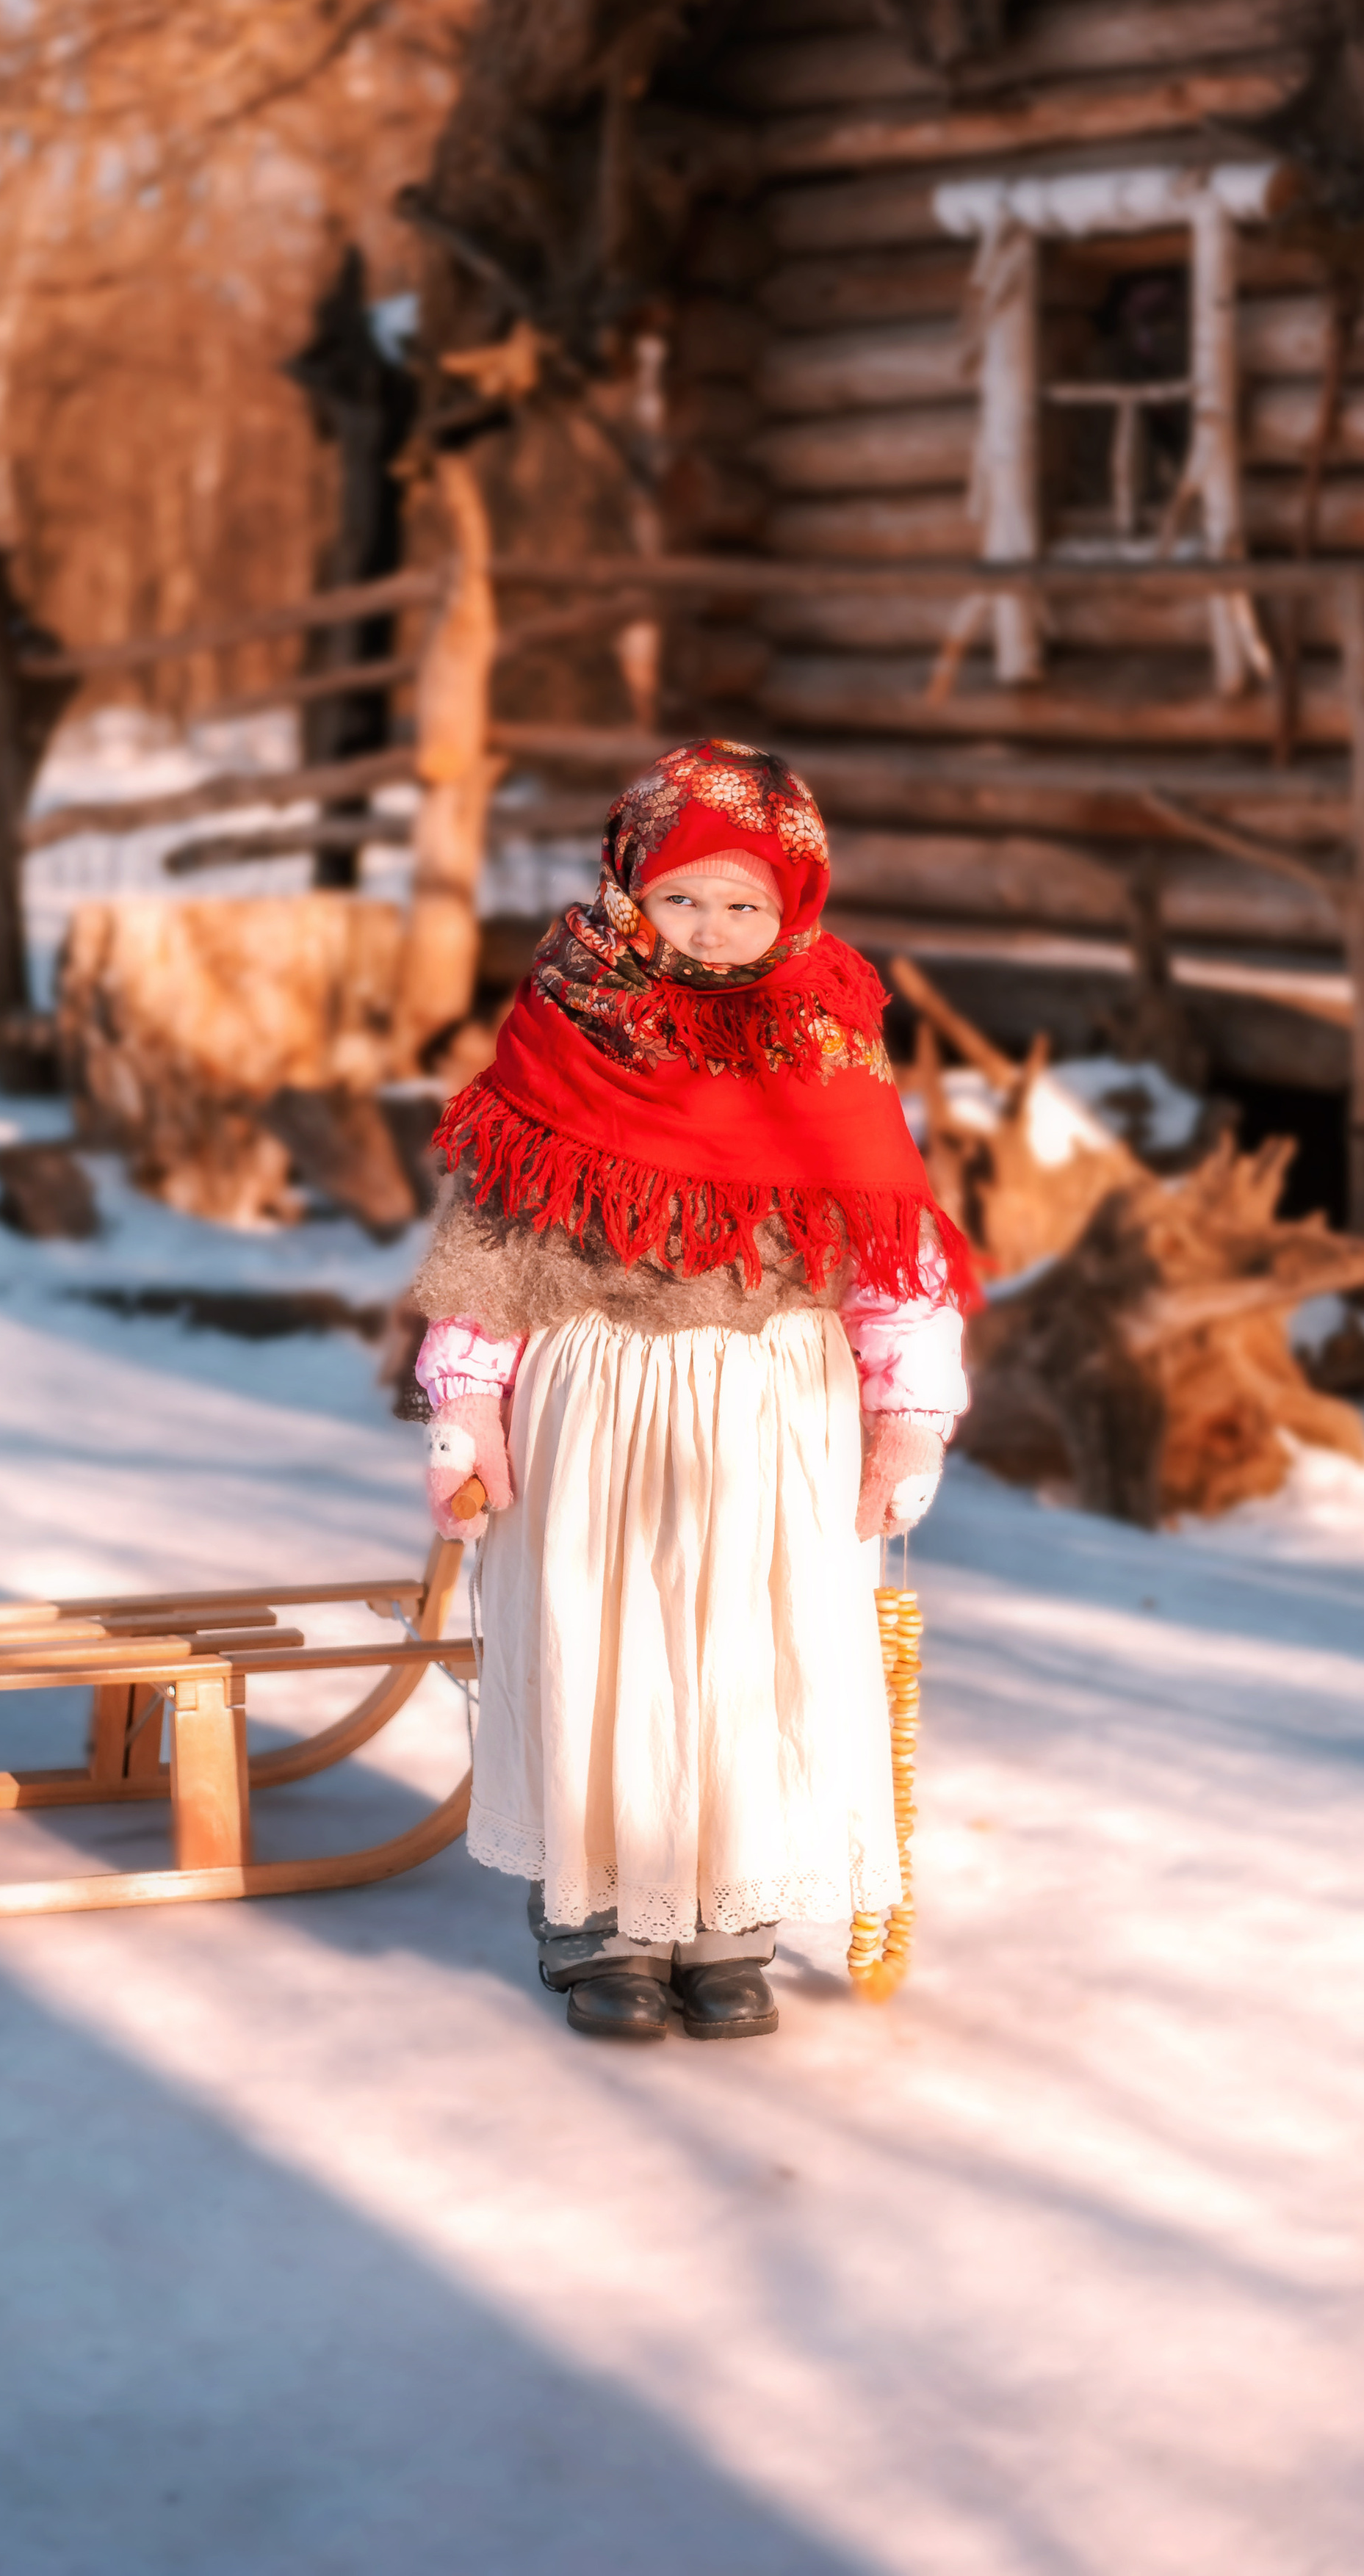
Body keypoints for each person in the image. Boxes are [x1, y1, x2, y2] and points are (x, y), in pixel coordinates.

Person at [412, 739, 973, 2043]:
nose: (712, 931)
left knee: (751, 1653)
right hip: (594, 1394)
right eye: (681, 898)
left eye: (744, 905)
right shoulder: (568, 1020)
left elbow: (891, 1252)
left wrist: (904, 1413)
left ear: (796, 906)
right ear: (627, 887)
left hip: (774, 1400)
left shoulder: (828, 1037)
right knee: (600, 1650)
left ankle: (733, 1921)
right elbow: (494, 1242)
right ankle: (602, 1923)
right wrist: (467, 1406)